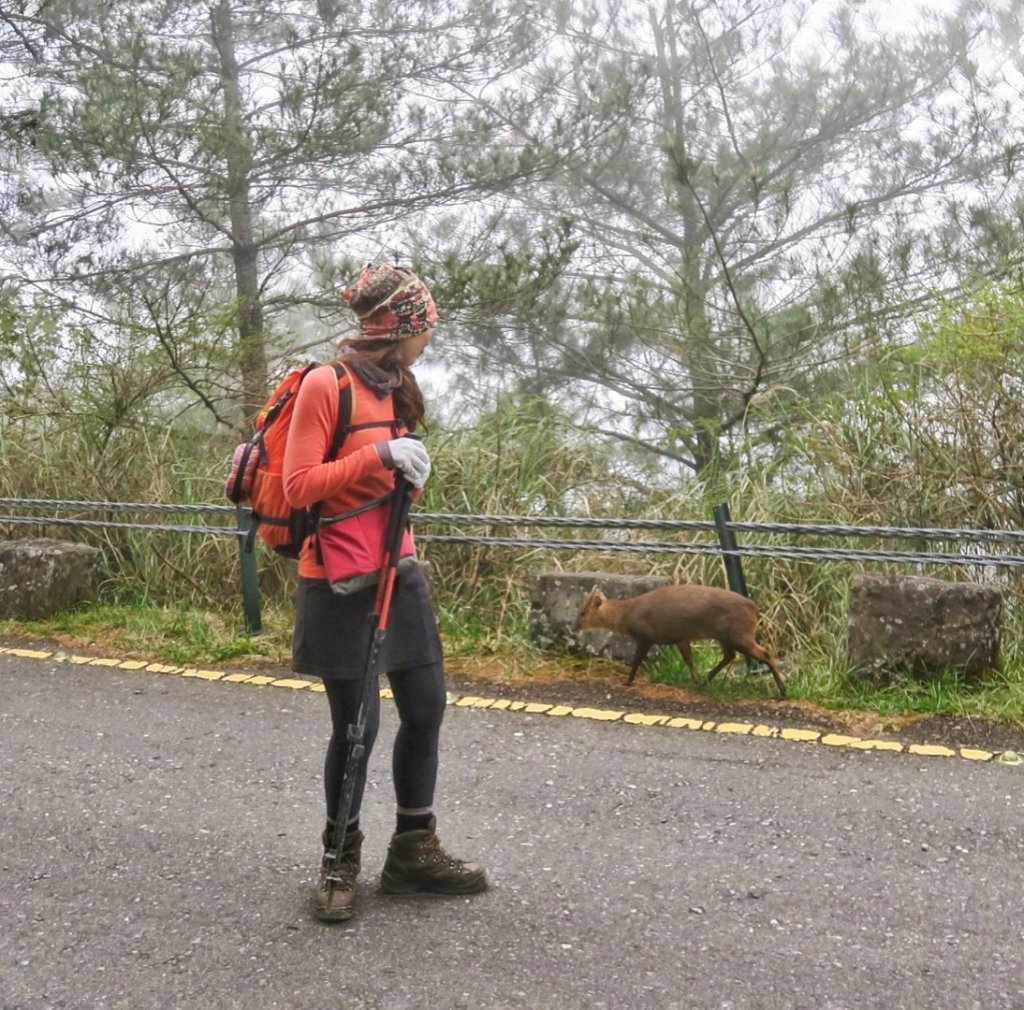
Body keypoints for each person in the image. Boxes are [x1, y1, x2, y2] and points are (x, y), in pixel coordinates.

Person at [283, 262, 488, 923]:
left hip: (399, 571)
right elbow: (299, 486)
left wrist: (409, 472)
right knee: (357, 729)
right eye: (424, 327)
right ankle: (339, 862)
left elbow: (388, 488)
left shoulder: (398, 387)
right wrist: (381, 459)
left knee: (425, 708)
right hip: (339, 580)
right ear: (400, 329)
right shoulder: (326, 385)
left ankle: (412, 852)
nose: (429, 339)